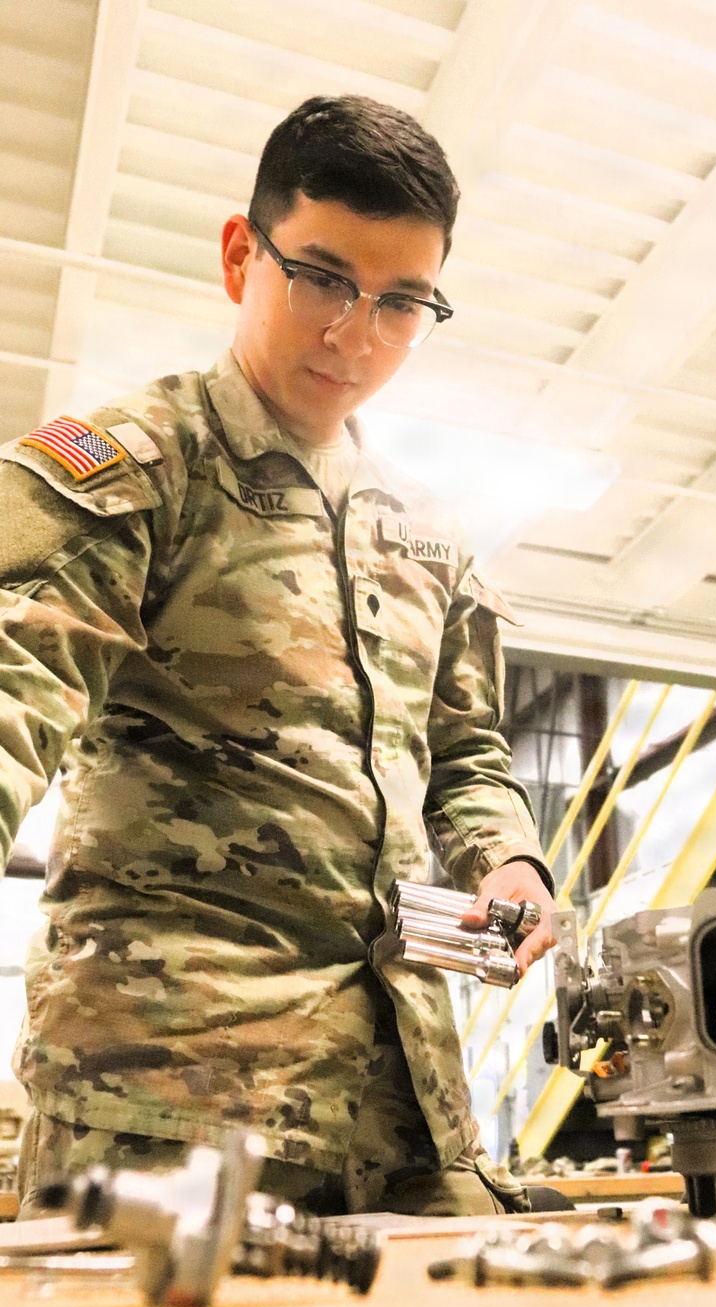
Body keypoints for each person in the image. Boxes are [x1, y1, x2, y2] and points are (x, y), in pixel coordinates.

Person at [0, 95, 556, 1219]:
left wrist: (510, 862)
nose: (355, 336)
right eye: (323, 280)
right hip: (169, 1103)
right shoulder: (137, 473)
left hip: (407, 1103)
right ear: (240, 255)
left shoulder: (433, 534)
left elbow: (466, 751)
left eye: (402, 303)